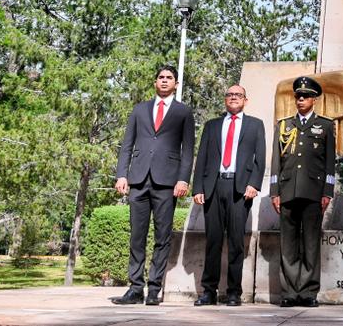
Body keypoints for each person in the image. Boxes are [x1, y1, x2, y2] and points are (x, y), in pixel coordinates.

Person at [110, 64, 195, 306]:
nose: (165, 81)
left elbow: (188, 149)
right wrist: (121, 175)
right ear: (155, 82)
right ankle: (135, 288)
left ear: (176, 84)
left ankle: (154, 289)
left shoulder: (183, 112)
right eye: (161, 77)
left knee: (162, 237)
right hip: (138, 179)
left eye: (169, 78)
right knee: (137, 236)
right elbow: (127, 145)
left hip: (167, 182)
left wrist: (183, 179)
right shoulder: (139, 110)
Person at [191, 84, 266, 307]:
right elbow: (202, 157)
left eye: (238, 95)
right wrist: (198, 188)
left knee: (236, 242)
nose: (234, 98)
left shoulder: (255, 125)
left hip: (239, 189)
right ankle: (208, 291)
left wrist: (254, 184)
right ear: (225, 99)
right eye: (230, 95)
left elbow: (260, 158)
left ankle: (234, 292)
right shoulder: (212, 125)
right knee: (213, 241)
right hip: (213, 187)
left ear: (245, 100)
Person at [270, 76, 336, 308]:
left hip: (313, 192)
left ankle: (308, 292)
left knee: (310, 244)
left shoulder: (326, 125)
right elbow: (276, 162)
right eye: (298, 96)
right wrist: (274, 192)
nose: (300, 100)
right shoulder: (284, 124)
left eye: (305, 96)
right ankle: (289, 291)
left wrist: (328, 191)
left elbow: (330, 163)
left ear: (314, 100)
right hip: (287, 191)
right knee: (288, 245)